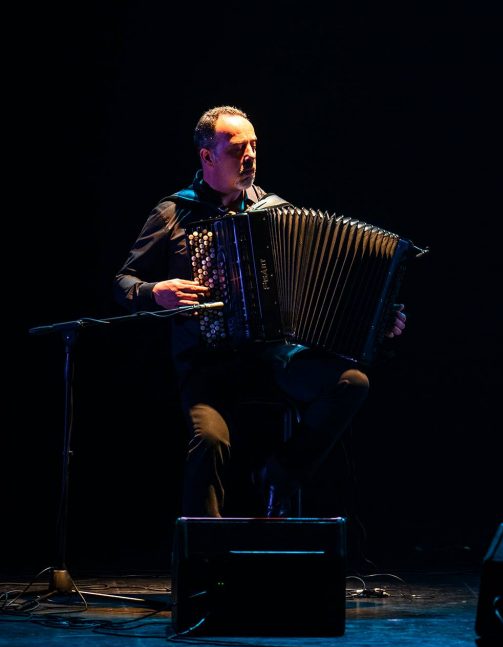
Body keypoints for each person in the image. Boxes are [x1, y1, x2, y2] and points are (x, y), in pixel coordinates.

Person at [114, 105, 406, 518]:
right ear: (207, 156)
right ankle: (204, 561)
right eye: (237, 149)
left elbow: (324, 292)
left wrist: (375, 323)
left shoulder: (277, 212)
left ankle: (281, 474)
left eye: (254, 146)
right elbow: (123, 282)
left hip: (271, 362)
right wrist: (154, 291)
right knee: (211, 442)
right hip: (207, 364)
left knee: (351, 382)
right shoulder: (173, 214)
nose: (249, 155)